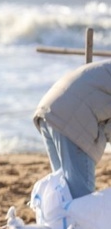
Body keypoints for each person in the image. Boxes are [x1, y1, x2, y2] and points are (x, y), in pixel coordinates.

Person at [33, 60, 111, 199]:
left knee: (62, 193)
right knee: (81, 200)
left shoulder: (105, 67)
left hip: (48, 110)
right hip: (72, 119)